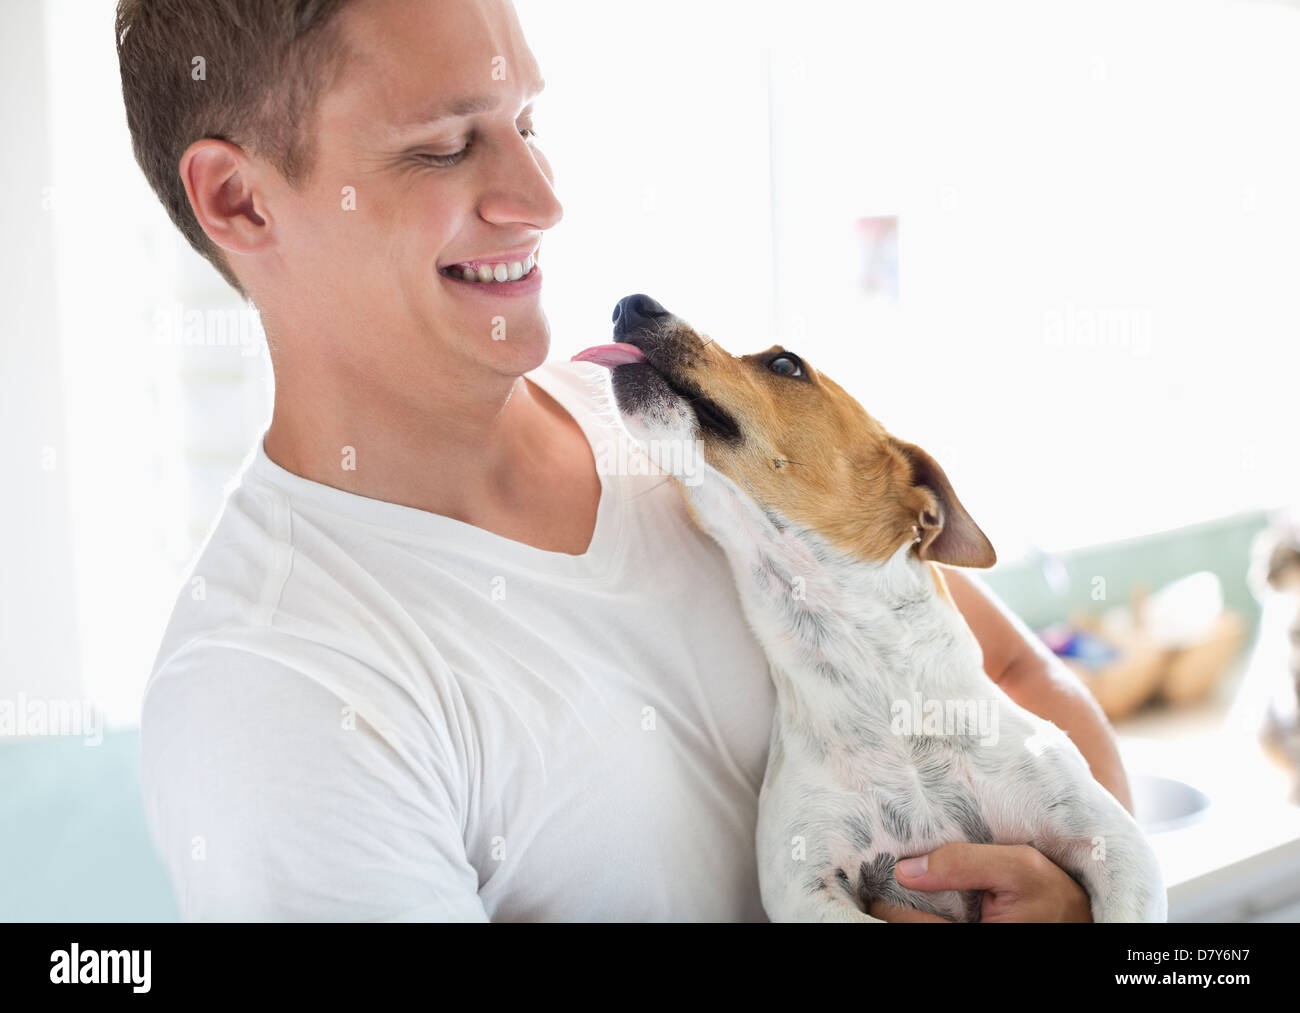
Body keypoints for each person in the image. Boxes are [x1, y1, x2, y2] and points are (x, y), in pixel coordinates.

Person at [117, 0, 1133, 922]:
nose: (540, 196)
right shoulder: (272, 700)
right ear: (242, 202)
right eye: (443, 145)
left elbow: (1009, 675)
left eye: (526, 124)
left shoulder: (672, 419)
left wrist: (1083, 901)